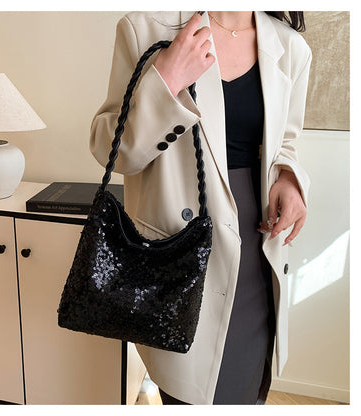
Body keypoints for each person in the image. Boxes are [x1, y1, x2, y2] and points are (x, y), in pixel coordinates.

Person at [89, 11, 311, 405]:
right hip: (179, 253)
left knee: (243, 389)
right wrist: (166, 81)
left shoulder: (290, 47)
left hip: (256, 246)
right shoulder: (145, 29)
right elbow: (113, 153)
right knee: (186, 390)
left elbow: (287, 141)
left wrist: (290, 179)